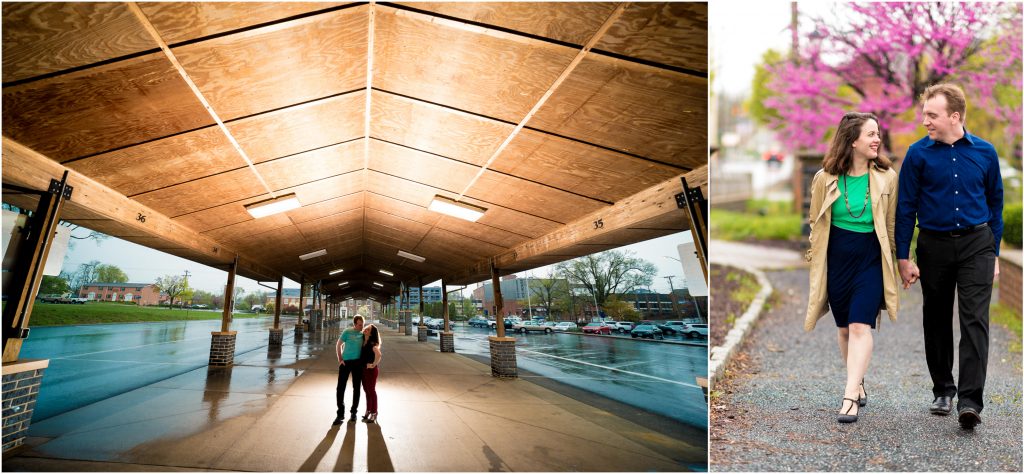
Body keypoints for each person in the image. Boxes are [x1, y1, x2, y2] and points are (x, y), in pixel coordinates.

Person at [895, 83, 1003, 430]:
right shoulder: (917, 154)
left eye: (932, 114)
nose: (924, 120)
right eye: (924, 113)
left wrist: (995, 252)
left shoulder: (986, 153)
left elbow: (995, 204)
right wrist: (903, 256)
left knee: (975, 320)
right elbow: (905, 208)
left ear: (954, 116)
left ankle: (970, 402)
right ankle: (943, 388)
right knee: (937, 318)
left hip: (977, 244)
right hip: (934, 245)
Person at [804, 112, 899, 424]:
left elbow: (892, 225)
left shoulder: (887, 178)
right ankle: (857, 382)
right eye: (870, 134)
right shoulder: (824, 179)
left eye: (877, 134)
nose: (877, 139)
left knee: (861, 326)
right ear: (852, 141)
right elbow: (815, 221)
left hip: (870, 259)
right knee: (844, 328)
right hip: (838, 261)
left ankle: (849, 396)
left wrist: (901, 262)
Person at [334, 315, 365, 425]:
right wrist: (340, 358)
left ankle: (353, 412)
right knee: (340, 388)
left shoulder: (363, 335)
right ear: (355, 324)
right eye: (360, 325)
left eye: (363, 325)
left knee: (357, 388)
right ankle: (340, 414)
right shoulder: (347, 331)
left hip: (357, 363)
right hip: (346, 362)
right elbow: (339, 344)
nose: (362, 327)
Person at [360, 324, 383, 423]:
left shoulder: (372, 343)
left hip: (371, 371)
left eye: (368, 329)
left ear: (371, 333)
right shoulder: (363, 341)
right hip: (363, 370)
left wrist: (373, 365)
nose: (365, 329)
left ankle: (374, 412)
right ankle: (368, 410)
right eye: (366, 328)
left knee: (371, 391)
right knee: (366, 390)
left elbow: (379, 354)